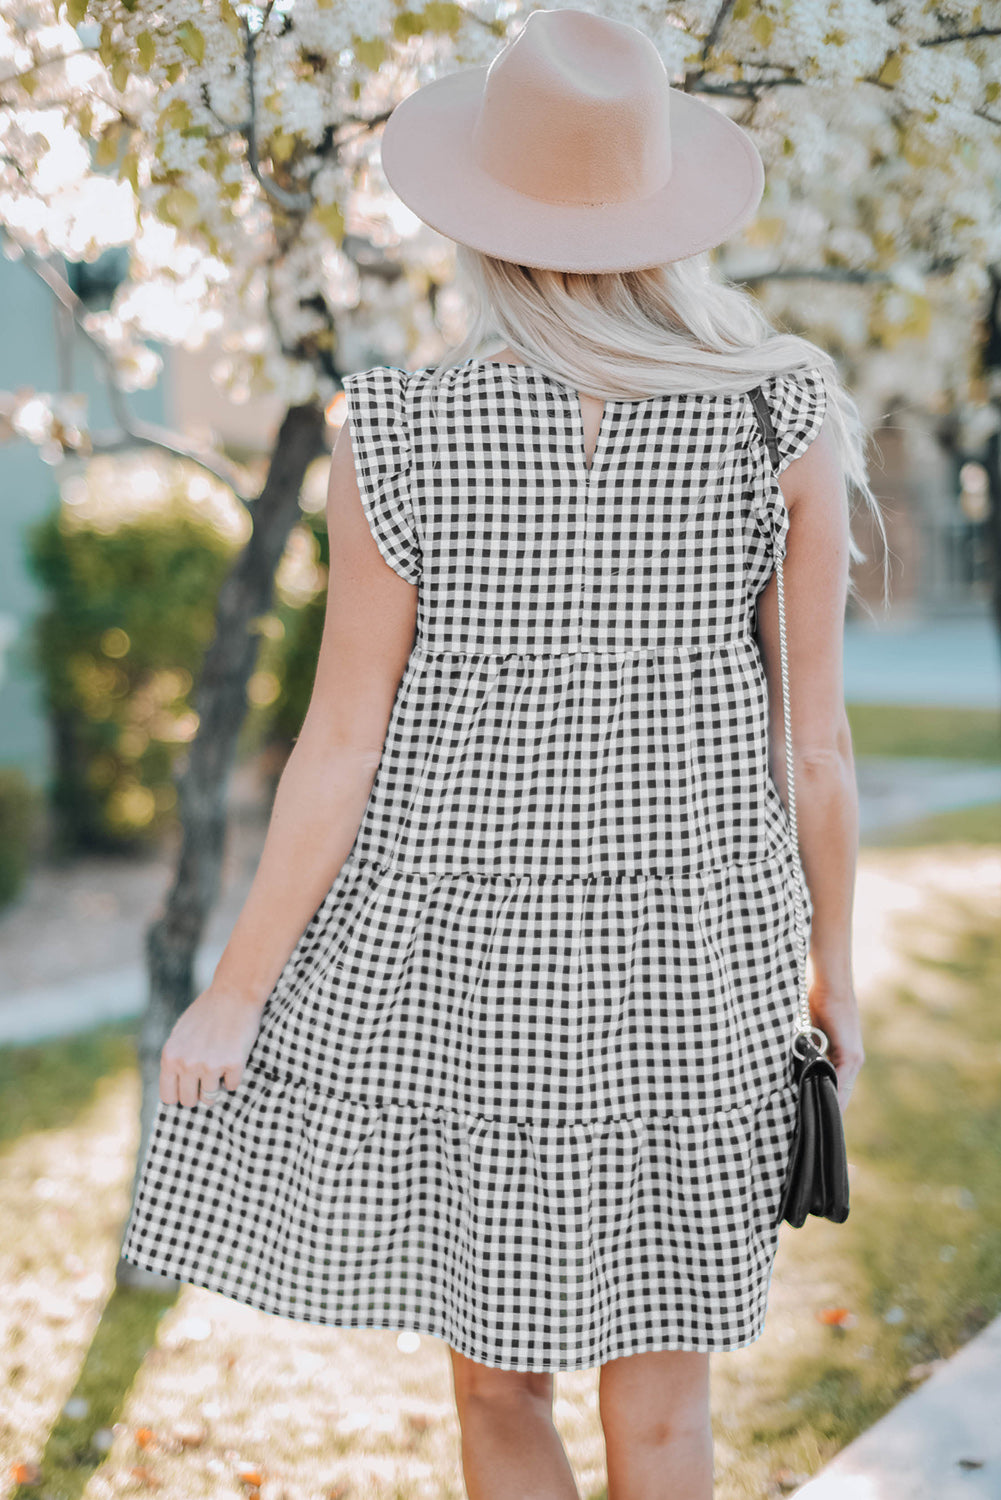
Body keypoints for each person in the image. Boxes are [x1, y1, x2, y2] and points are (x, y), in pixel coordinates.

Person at [122, 10, 882, 1498]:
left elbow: (338, 743)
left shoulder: (395, 428)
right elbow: (818, 751)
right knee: (665, 1413)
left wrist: (236, 989)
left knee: (494, 1391)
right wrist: (831, 970)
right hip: (698, 954)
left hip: (461, 953)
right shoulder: (775, 411)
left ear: (475, 216)